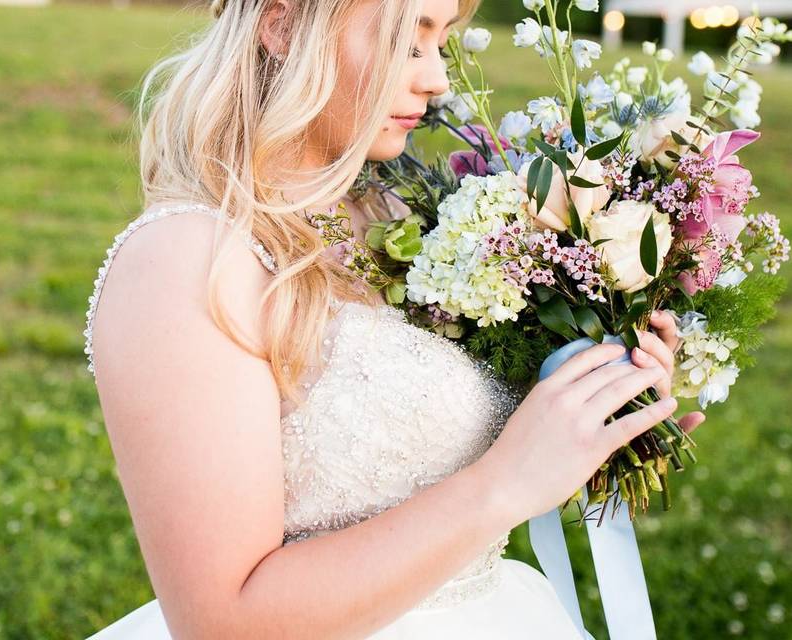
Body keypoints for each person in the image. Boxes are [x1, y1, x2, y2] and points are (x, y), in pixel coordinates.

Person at [82, 0, 706, 637]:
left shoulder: (387, 218)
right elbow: (223, 621)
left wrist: (590, 401)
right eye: (409, 43)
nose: (437, 79)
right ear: (280, 25)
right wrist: (505, 484)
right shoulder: (190, 262)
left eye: (442, 44)